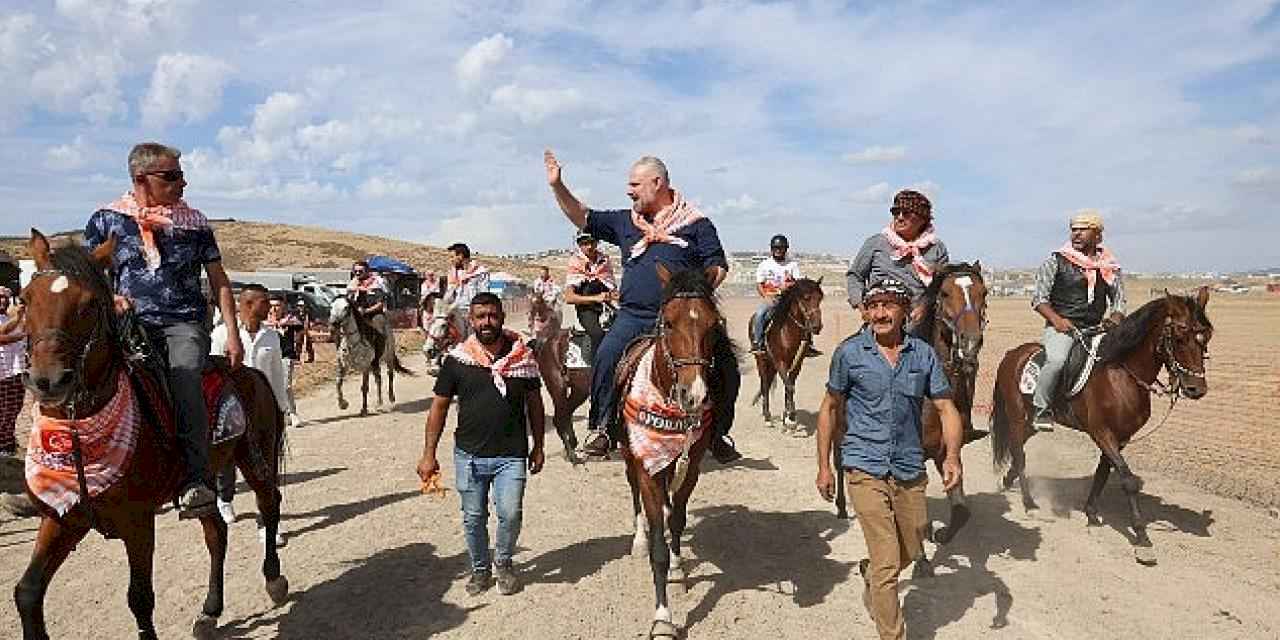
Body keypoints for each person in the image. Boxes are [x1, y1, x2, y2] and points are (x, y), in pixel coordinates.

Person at [544, 149, 741, 463]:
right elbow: (582, 215)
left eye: (635, 184)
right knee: (607, 355)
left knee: (728, 364)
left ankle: (719, 433)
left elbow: (718, 267)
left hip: (682, 320)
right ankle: (602, 428)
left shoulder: (697, 224)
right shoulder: (626, 222)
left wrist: (690, 297)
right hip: (634, 315)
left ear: (657, 183)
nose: (629, 190)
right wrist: (557, 185)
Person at [84, 142, 244, 520]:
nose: (182, 183)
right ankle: (64, 474)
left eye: (182, 175)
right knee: (81, 376)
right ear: (141, 179)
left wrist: (233, 331)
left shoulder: (196, 223)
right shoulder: (105, 219)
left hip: (183, 323)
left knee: (185, 378)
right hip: (127, 324)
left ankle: (195, 480)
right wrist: (111, 298)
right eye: (172, 176)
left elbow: (219, 281)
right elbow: (89, 276)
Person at [815, 278, 963, 640]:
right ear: (865, 311)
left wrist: (953, 457)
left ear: (905, 311)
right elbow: (830, 408)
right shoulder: (849, 354)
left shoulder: (922, 355)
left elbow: (946, 408)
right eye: (873, 306)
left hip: (910, 465)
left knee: (911, 548)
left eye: (888, 305)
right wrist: (823, 466)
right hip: (864, 464)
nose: (880, 313)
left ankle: (871, 574)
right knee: (886, 562)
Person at [416, 292, 545, 596]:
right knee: (473, 518)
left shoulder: (523, 358)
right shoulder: (457, 360)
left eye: (492, 315)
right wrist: (428, 454)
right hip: (469, 457)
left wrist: (538, 445)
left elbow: (535, 405)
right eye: (480, 316)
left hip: (511, 455)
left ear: (501, 316)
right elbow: (439, 408)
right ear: (471, 321)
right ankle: (479, 569)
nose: (487, 322)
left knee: (511, 514)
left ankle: (503, 562)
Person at [1029, 210, 1126, 429]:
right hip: (1063, 328)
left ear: (1097, 235)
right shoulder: (1055, 261)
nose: (1076, 234)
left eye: (1083, 230)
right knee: (1057, 362)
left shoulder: (1109, 265)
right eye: (1074, 230)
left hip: (1096, 329)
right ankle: (1041, 409)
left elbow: (1119, 302)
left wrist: (1116, 317)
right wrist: (1057, 320)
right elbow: (1038, 299)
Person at [210, 284, 290, 545]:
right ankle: (225, 498)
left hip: (263, 411)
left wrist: (282, 409)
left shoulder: (272, 337)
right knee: (226, 461)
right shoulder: (222, 335)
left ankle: (266, 521)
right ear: (247, 305)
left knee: (266, 467)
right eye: (265, 302)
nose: (270, 307)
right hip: (231, 411)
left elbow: (277, 375)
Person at [846, 190, 949, 336]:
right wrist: (863, 309)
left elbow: (941, 287)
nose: (899, 217)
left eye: (906, 213)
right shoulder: (876, 243)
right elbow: (855, 276)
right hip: (879, 323)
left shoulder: (937, 249)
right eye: (896, 212)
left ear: (922, 219)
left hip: (921, 330)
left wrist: (924, 307)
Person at [563, 232, 617, 364]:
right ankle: (595, 369)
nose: (589, 246)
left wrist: (613, 296)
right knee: (597, 334)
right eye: (584, 243)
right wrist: (596, 298)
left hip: (606, 305)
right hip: (586, 308)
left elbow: (611, 287)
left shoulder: (605, 260)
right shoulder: (575, 263)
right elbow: (569, 297)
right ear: (579, 245)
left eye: (592, 242)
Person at [750, 234, 808, 355]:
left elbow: (797, 283)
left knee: (807, 314)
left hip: (789, 298)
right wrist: (766, 297)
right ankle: (758, 343)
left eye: (780, 248)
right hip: (771, 297)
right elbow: (760, 285)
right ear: (771, 249)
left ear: (785, 249)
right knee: (760, 315)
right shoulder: (764, 265)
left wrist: (789, 285)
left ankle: (808, 343)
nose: (778, 251)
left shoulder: (792, 265)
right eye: (775, 248)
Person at [267, 296, 305, 428]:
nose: (274, 308)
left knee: (285, 385)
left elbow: (301, 331)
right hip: (270, 356)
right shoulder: (264, 322)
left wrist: (299, 348)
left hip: (286, 355)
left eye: (277, 305)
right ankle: (281, 414)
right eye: (271, 305)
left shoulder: (291, 320)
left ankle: (293, 413)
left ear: (283, 306)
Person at [443, 243, 491, 340]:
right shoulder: (453, 274)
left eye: (452, 257)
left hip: (473, 313)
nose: (451, 260)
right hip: (457, 312)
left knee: (474, 340)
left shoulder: (480, 272)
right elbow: (449, 297)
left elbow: (483, 294)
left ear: (460, 256)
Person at [0, 288, 26, 458]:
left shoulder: (11, 319)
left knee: (14, 408)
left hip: (15, 371)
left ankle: (7, 441)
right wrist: (19, 321)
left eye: (5, 297)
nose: (2, 300)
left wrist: (21, 315)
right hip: (1, 373)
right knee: (2, 410)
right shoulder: (12, 320)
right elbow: (1, 337)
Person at [528, 266, 561, 335]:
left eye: (544, 273)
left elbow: (556, 290)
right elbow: (534, 290)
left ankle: (557, 326)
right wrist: (532, 296)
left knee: (557, 310)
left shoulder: (552, 281)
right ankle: (531, 327)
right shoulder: (537, 281)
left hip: (550, 299)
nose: (542, 275)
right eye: (541, 273)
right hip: (539, 299)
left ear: (547, 273)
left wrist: (552, 297)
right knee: (531, 311)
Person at [295, 299, 315, 363]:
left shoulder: (307, 313)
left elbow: (312, 320)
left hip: (306, 330)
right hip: (299, 329)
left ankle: (311, 357)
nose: (300, 307)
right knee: (298, 342)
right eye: (299, 306)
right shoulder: (296, 313)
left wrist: (310, 324)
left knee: (308, 343)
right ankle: (297, 357)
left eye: (302, 306)